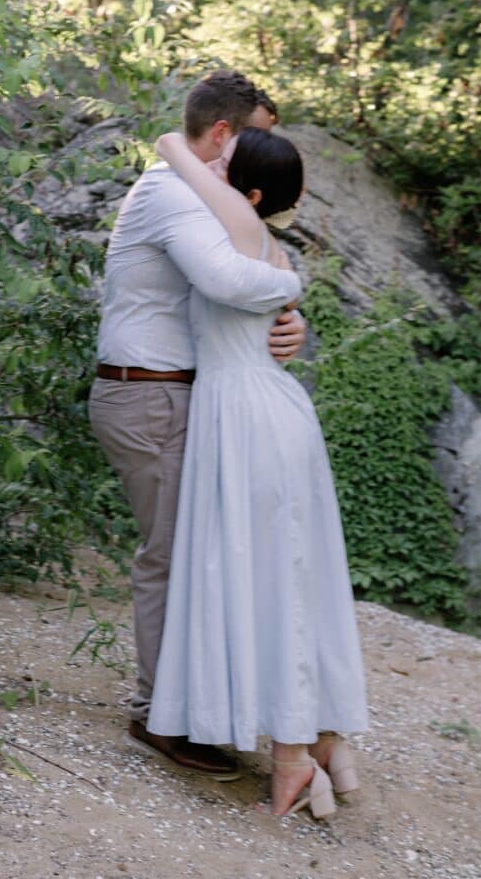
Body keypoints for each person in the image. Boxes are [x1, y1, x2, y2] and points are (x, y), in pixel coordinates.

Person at [88, 71, 306, 780]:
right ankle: (161, 714)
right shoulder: (170, 192)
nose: (264, 151)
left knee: (199, 552)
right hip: (149, 398)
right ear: (224, 134)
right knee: (174, 556)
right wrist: (288, 291)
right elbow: (227, 281)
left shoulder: (200, 196)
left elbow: (241, 283)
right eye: (260, 134)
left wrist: (288, 323)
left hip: (185, 396)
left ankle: (197, 701)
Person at [147, 127, 368, 817]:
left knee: (263, 576)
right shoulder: (266, 246)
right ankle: (328, 739)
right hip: (272, 413)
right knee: (297, 572)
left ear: (245, 193)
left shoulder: (241, 234)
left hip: (244, 419)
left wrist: (171, 141)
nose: (208, 168)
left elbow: (189, 165)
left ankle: (294, 756)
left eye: (225, 168)